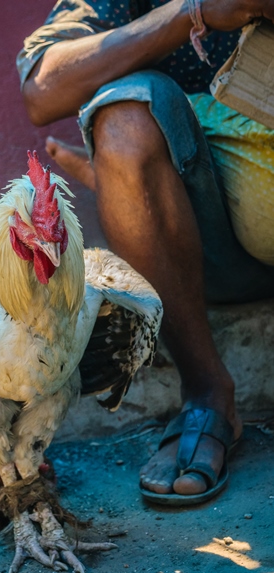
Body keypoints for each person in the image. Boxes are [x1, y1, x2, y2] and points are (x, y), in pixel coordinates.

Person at [16, 0, 274, 505]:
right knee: (125, 115)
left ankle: (110, 185)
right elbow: (42, 89)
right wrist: (192, 13)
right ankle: (206, 395)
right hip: (220, 248)